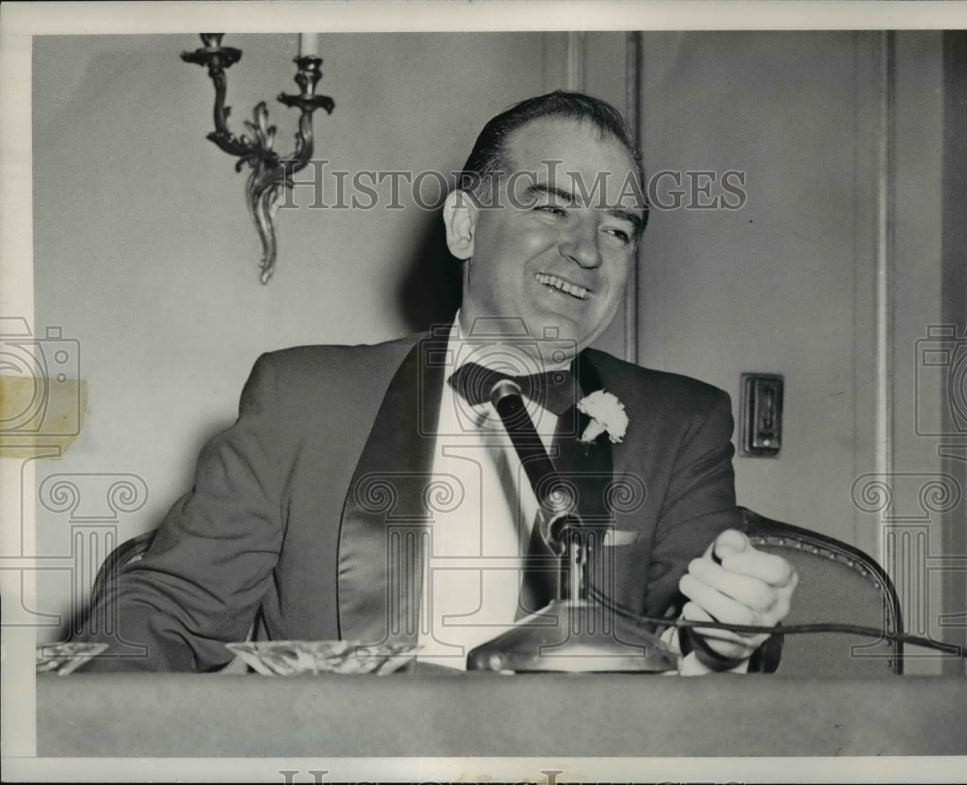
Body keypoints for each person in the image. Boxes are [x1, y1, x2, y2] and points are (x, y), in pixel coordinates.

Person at [79, 91, 796, 675]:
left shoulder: (684, 421)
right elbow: (166, 607)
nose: (584, 251)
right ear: (463, 225)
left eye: (617, 230)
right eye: (552, 207)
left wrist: (724, 639)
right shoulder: (303, 396)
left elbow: (709, 640)